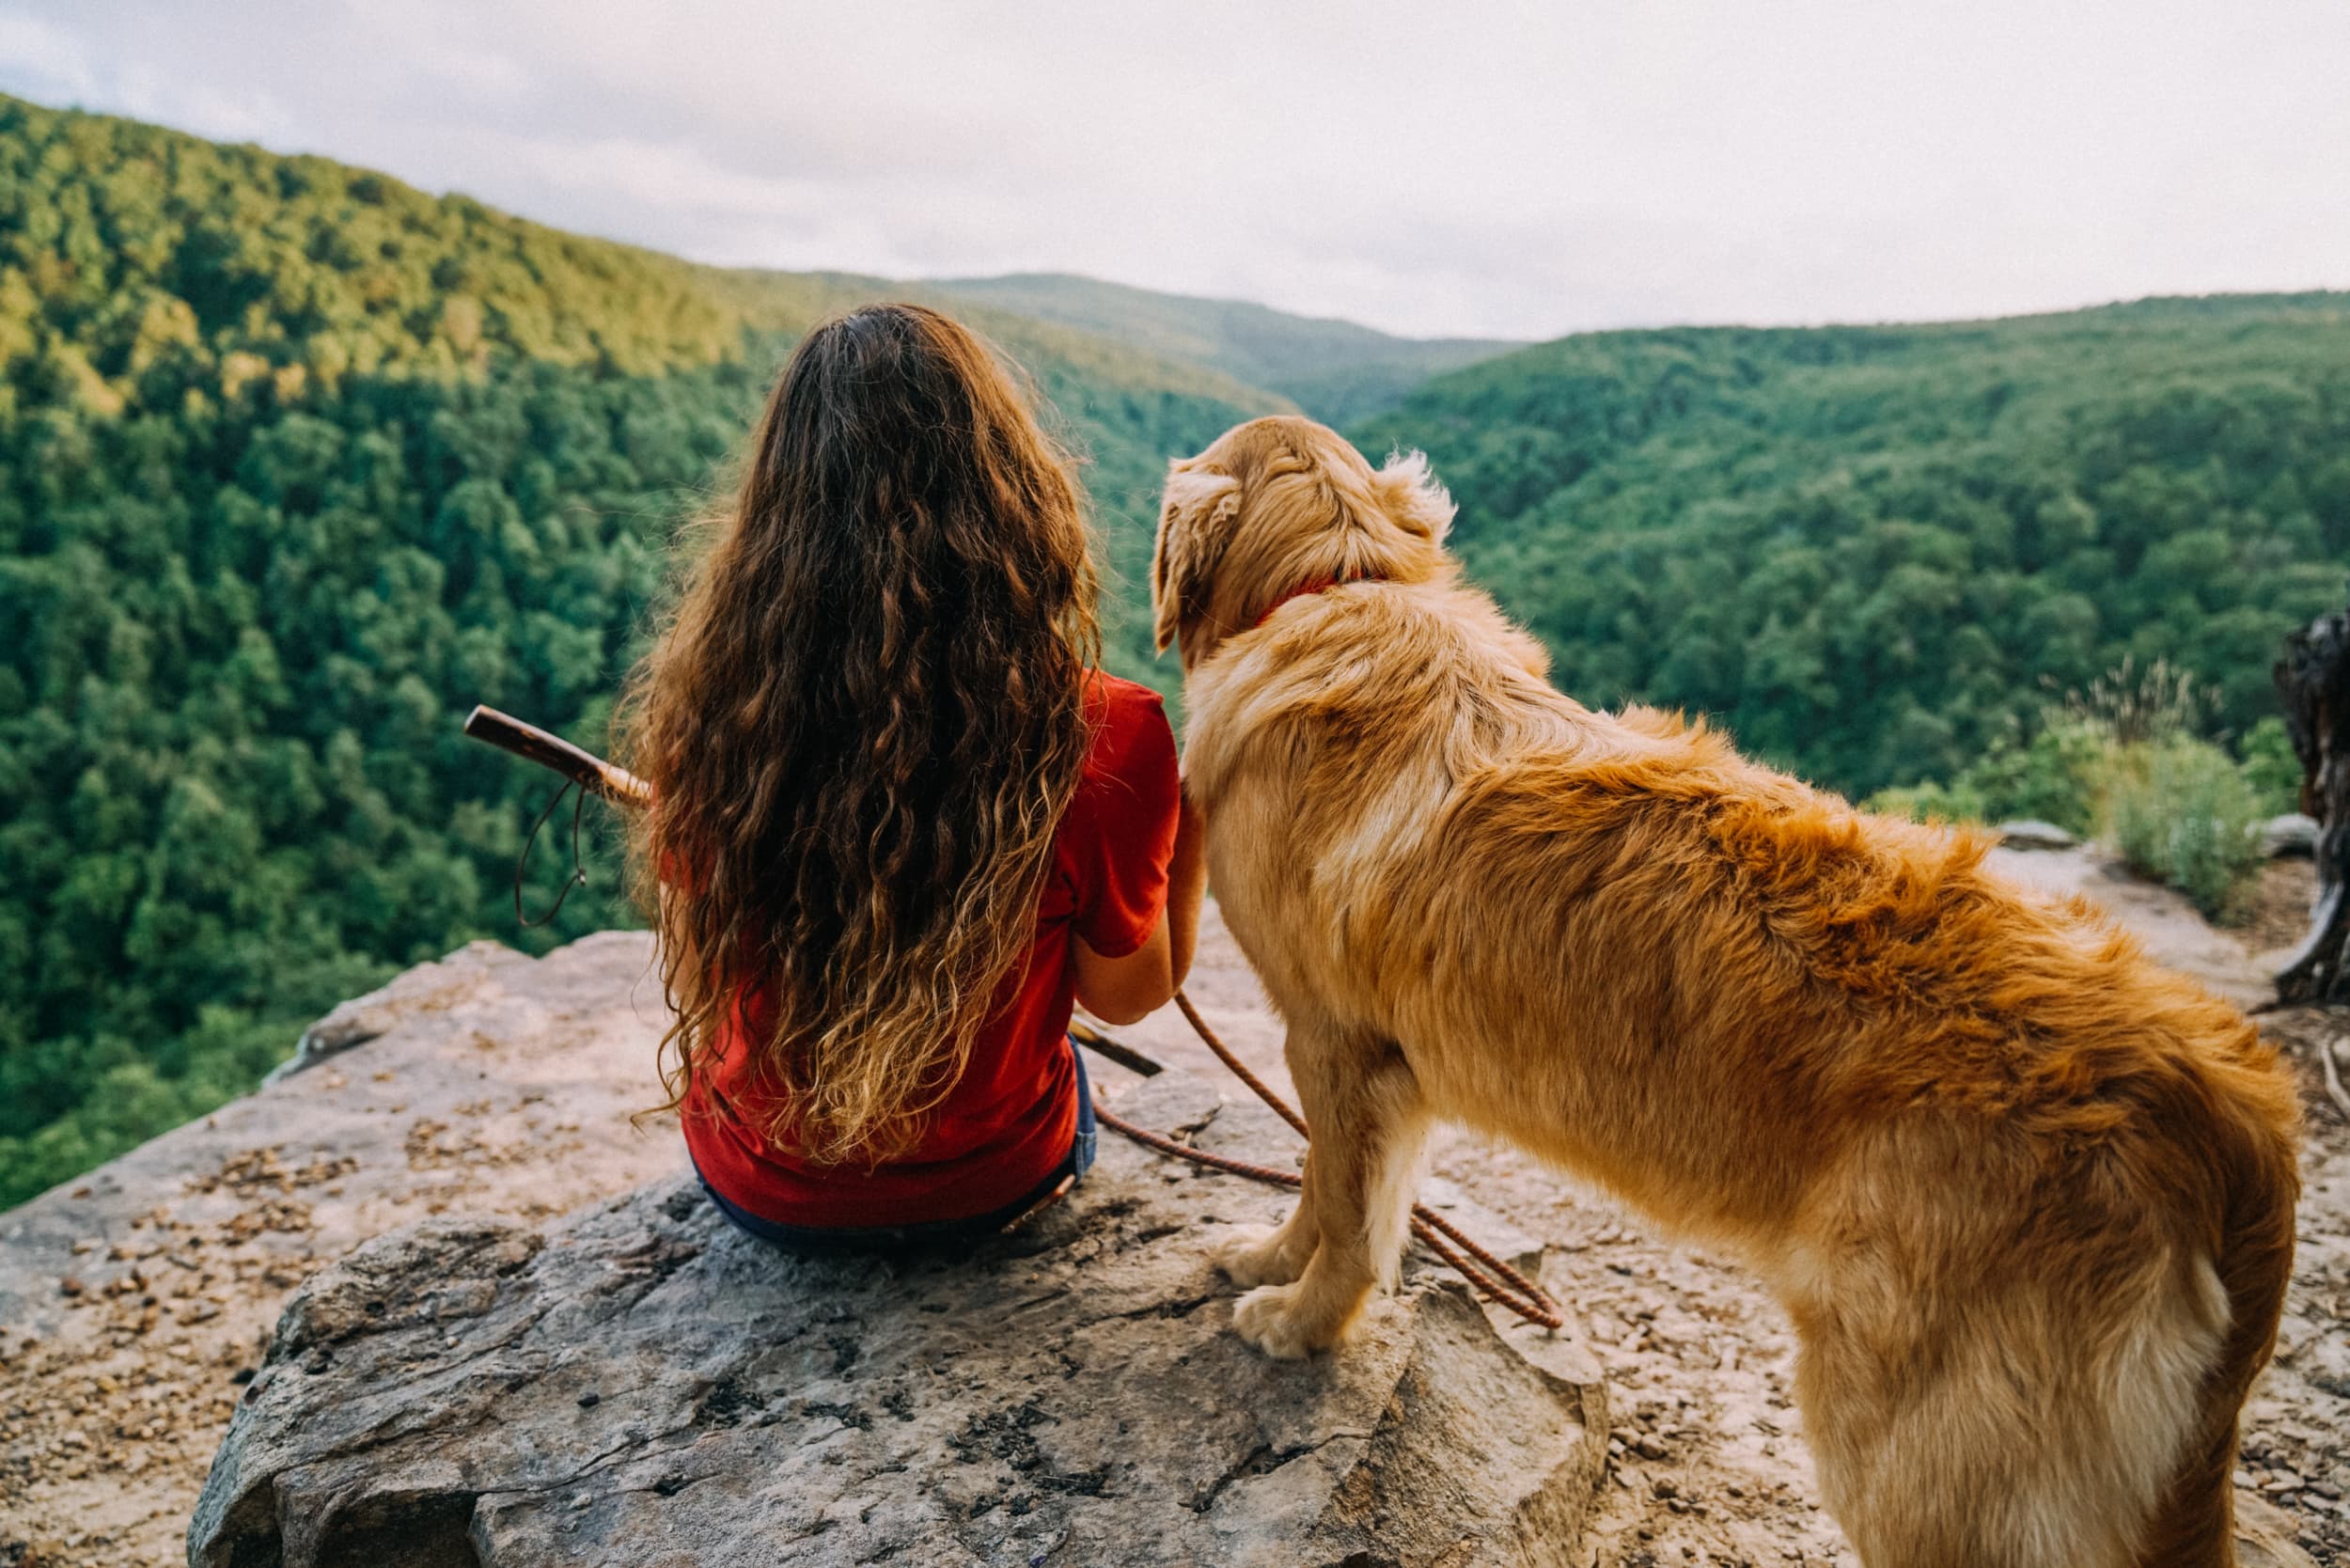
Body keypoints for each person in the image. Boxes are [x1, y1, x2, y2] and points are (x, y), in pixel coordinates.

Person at [616, 303, 1206, 1255]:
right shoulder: (1107, 733)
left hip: (764, 1188)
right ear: (1010, 495)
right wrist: (1196, 821)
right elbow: (1125, 998)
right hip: (991, 1186)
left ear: (780, 510)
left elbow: (697, 971)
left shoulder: (714, 712)